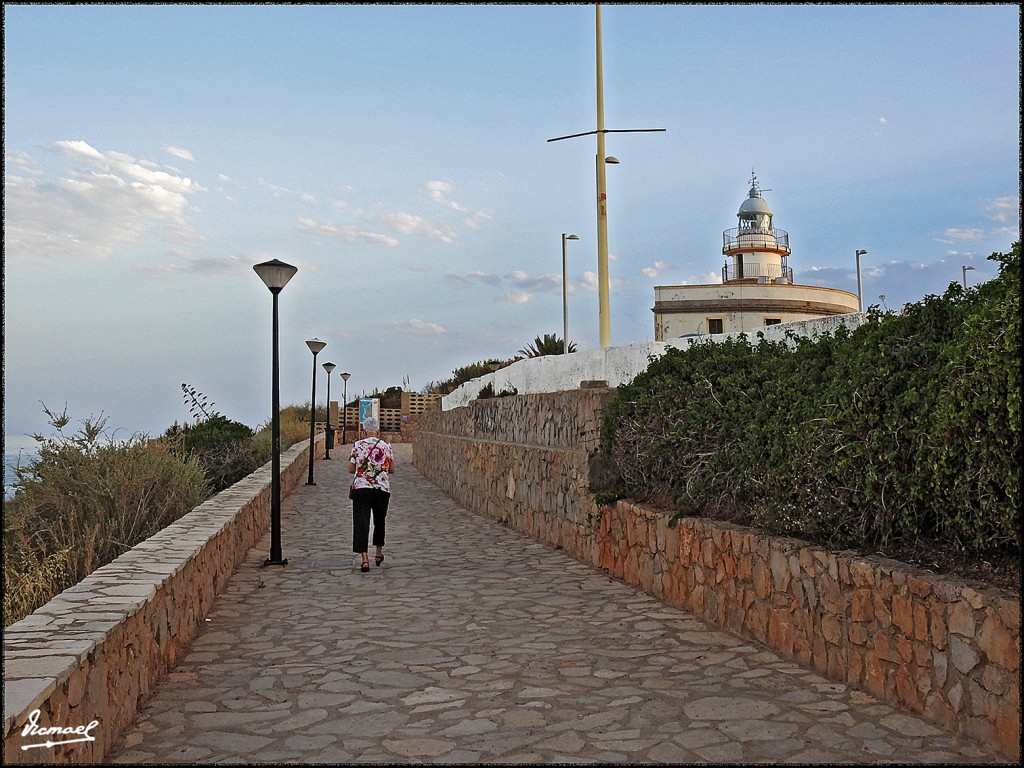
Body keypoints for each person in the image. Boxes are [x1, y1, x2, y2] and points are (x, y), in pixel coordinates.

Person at [347, 416, 396, 572]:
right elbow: (392, 469)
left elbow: (350, 468)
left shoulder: (357, 446)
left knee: (361, 522)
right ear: (378, 430)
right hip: (381, 489)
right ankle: (378, 553)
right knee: (379, 521)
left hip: (361, 489)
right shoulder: (386, 446)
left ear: (364, 430)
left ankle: (364, 559)